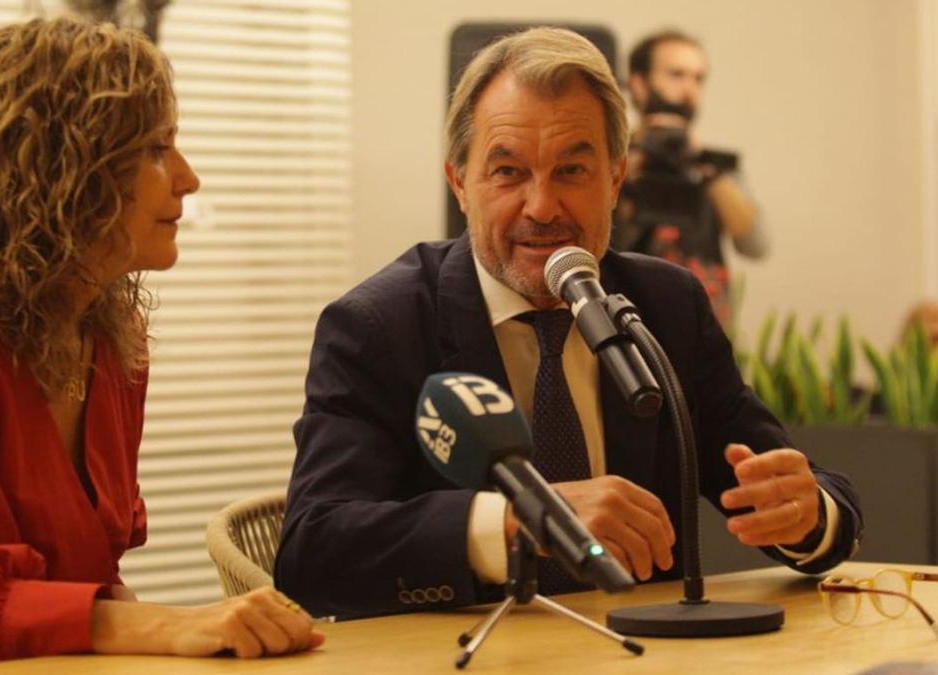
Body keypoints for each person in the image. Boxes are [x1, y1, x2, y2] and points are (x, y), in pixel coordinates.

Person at [276, 27, 862, 619]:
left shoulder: (666, 306)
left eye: (572, 172)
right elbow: (314, 550)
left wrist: (805, 514)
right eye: (508, 174)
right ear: (460, 183)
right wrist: (520, 520)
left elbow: (797, 488)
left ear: (614, 180)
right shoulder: (379, 325)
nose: (541, 208)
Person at [0, 18, 321, 673]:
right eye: (158, 150)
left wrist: (200, 630)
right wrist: (171, 624)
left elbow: (82, 588)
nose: (189, 179)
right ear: (65, 170)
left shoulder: (106, 333)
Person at [611, 29, 766, 325]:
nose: (689, 89)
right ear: (638, 84)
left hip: (703, 332)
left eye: (698, 78)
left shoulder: (713, 166)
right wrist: (627, 169)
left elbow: (756, 244)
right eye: (676, 75)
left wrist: (705, 168)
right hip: (628, 329)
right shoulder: (613, 160)